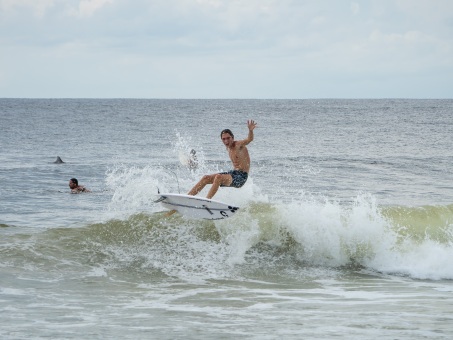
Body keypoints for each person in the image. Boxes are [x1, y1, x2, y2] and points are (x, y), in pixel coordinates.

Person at [187, 119, 257, 199]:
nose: (226, 141)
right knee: (205, 178)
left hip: (241, 177)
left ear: (232, 138)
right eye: (224, 139)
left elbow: (249, 139)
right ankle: (187, 197)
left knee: (218, 177)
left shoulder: (238, 145)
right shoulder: (228, 148)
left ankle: (207, 201)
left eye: (228, 138)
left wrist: (250, 130)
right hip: (233, 173)